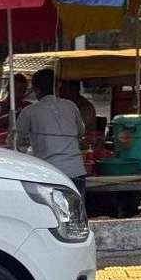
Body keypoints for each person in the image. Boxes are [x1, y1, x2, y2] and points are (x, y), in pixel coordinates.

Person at [16, 68, 87, 197]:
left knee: (53, 215)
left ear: (36, 90)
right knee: (77, 212)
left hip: (50, 173)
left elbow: (16, 141)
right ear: (56, 86)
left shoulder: (29, 112)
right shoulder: (71, 105)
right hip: (76, 170)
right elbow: (81, 132)